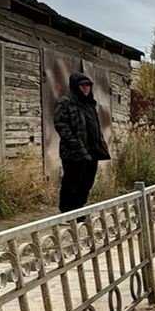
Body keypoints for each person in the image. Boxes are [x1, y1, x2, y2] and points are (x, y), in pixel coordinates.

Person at [52, 71, 110, 213]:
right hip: (73, 151)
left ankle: (79, 209)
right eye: (82, 85)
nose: (86, 88)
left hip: (92, 150)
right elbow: (61, 125)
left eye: (88, 85)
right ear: (75, 87)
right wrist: (76, 144)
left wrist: (100, 144)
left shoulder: (90, 104)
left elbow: (95, 126)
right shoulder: (65, 102)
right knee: (72, 182)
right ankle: (66, 211)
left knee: (87, 182)